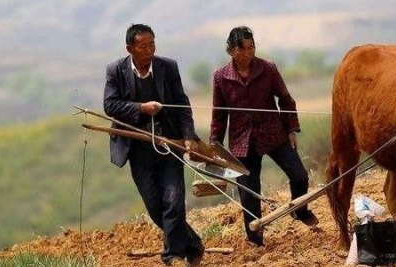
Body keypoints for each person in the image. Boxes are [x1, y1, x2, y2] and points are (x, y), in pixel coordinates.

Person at [103, 23, 205, 266]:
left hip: (169, 144)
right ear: (130, 49)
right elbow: (110, 105)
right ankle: (193, 243)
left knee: (174, 199)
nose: (149, 50)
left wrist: (189, 136)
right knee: (155, 206)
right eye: (143, 46)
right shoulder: (115, 70)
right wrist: (141, 108)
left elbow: (182, 103)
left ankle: (173, 256)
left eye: (152, 44)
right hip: (137, 149)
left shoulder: (167, 67)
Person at [210, 26, 318, 247]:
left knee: (300, 176)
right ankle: (255, 240)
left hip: (274, 134)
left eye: (252, 48)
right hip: (242, 142)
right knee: (249, 193)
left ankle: (299, 210)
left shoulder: (267, 68)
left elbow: (286, 100)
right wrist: (215, 146)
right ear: (231, 51)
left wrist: (291, 129)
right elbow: (219, 115)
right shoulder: (221, 77)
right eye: (243, 49)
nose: (248, 53)